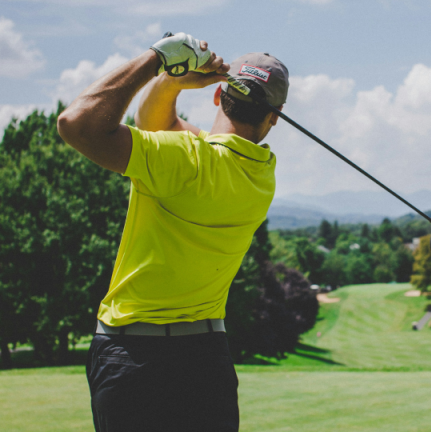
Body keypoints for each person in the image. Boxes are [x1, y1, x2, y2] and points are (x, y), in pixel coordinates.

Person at [57, 32, 289, 432]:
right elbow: (160, 125)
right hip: (207, 362)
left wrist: (159, 61)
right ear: (274, 118)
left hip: (131, 355)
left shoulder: (182, 161)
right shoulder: (260, 176)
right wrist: (169, 83)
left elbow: (76, 125)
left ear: (218, 95)